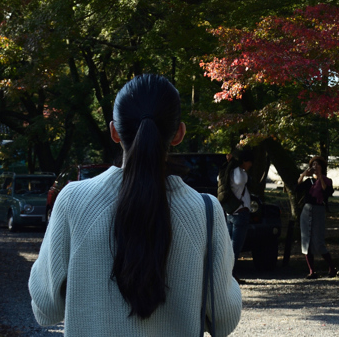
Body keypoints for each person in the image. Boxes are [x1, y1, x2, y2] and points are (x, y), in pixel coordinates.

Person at [29, 74, 241, 336]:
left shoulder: (73, 201)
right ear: (179, 134)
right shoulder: (205, 211)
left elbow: (45, 309)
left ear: (114, 131)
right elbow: (224, 320)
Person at [297, 155, 338, 279]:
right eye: (313, 164)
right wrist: (303, 175)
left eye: (317, 164)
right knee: (306, 241)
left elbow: (327, 193)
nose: (315, 166)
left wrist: (320, 177)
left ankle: (331, 267)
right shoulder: (308, 182)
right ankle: (312, 271)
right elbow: (297, 188)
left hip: (319, 209)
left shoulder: (327, 180)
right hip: (306, 210)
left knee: (318, 240)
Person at [220, 147, 254, 260]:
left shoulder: (227, 171)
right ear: (244, 161)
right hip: (241, 212)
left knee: (228, 246)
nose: (250, 165)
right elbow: (241, 180)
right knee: (235, 248)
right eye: (250, 162)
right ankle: (231, 274)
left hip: (230, 212)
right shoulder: (240, 173)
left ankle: (227, 274)